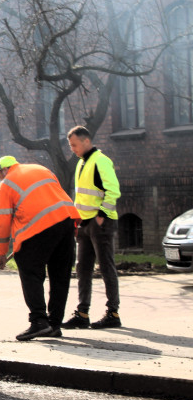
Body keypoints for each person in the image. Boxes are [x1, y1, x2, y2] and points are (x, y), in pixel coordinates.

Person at [0, 156, 80, 341]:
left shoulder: (6, 184)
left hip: (40, 227)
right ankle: (54, 324)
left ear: (2, 171)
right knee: (59, 275)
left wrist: (0, 253)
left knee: (29, 269)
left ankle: (39, 321)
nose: (0, 179)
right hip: (66, 221)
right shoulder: (41, 169)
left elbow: (3, 221)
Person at [62, 125, 122, 330]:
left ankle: (113, 313)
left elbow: (113, 190)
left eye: (74, 144)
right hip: (85, 223)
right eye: (71, 145)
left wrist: (102, 215)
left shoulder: (101, 161)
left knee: (106, 267)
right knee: (83, 269)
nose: (72, 149)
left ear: (86, 141)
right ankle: (82, 313)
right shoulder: (82, 163)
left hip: (100, 223)